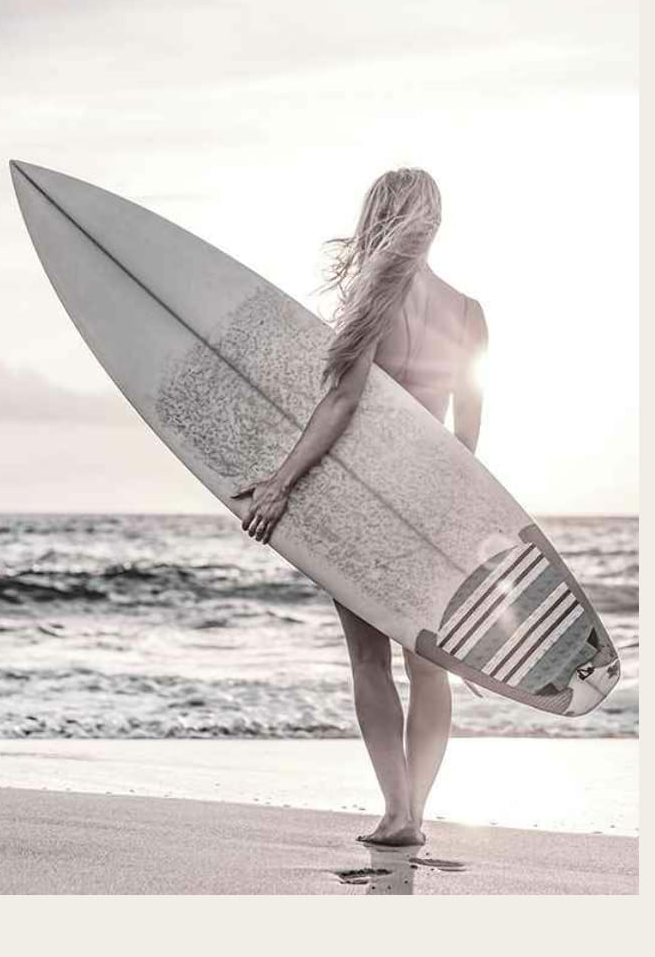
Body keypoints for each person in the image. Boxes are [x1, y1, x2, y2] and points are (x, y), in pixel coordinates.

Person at [230, 168, 488, 846]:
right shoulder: (468, 312)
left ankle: (395, 811)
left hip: (362, 497)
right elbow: (466, 439)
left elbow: (342, 401)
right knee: (427, 661)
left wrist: (281, 482)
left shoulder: (376, 296)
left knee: (369, 660)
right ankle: (417, 813)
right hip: (432, 498)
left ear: (378, 217)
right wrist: (457, 519)